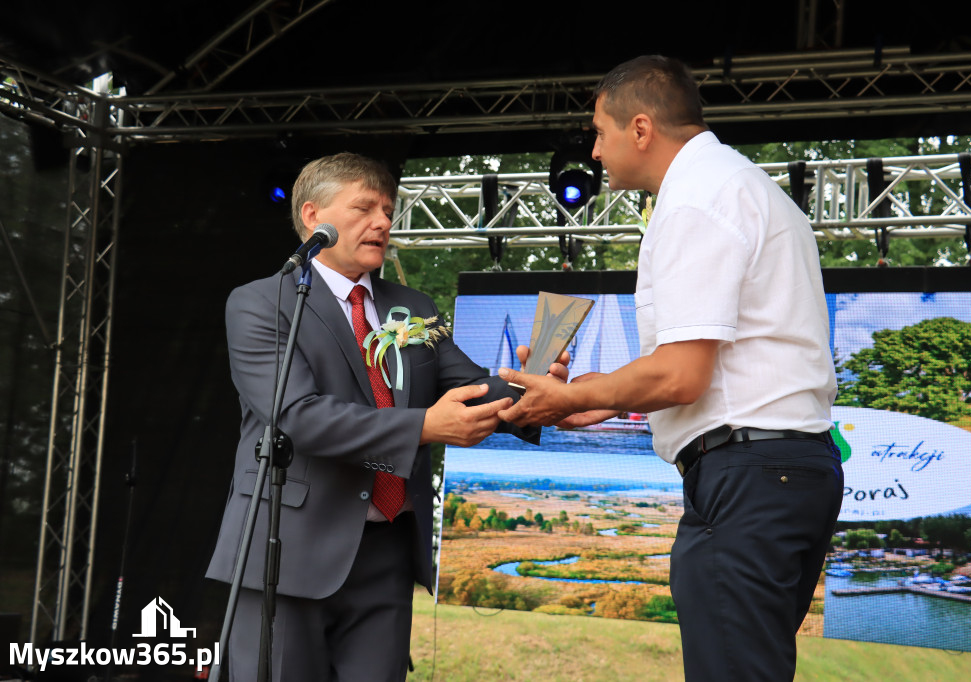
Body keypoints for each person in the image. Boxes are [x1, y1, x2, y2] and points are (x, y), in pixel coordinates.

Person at [497, 55, 844, 681]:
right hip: (788, 470)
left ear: (640, 128)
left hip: (748, 477)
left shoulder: (694, 201)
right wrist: (587, 400)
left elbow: (682, 376)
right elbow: (708, 368)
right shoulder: (745, 187)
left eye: (598, 134)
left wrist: (569, 399)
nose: (594, 154)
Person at [207, 152, 545, 681]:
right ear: (314, 218)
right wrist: (424, 428)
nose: (383, 221)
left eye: (388, 209)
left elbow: (473, 386)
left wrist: (545, 398)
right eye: (365, 207)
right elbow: (298, 415)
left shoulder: (412, 306)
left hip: (386, 551)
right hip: (288, 548)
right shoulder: (260, 302)